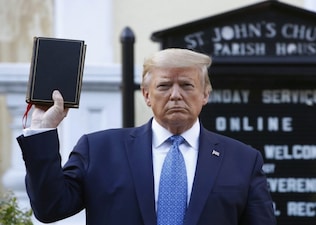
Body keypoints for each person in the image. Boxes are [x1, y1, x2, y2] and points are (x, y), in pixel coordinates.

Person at [17, 48, 276, 225]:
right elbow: (50, 208)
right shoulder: (100, 150)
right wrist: (42, 131)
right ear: (147, 95)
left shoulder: (242, 160)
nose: (175, 95)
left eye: (187, 85)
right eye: (164, 86)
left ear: (205, 94)